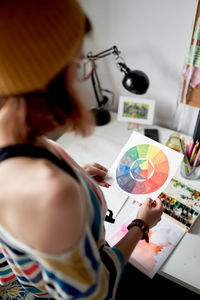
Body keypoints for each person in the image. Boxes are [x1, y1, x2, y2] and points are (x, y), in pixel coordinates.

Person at [0, 1, 163, 299]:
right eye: (79, 65)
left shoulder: (14, 134)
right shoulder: (52, 194)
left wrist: (77, 173)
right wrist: (140, 225)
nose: (82, 74)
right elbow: (96, 292)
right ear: (49, 77)